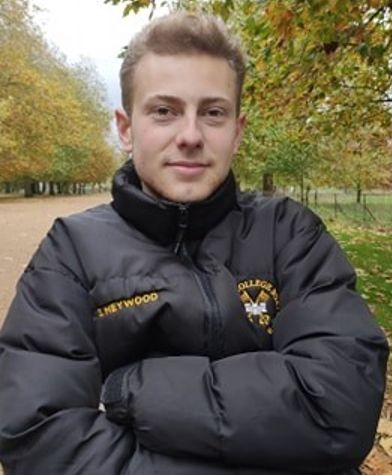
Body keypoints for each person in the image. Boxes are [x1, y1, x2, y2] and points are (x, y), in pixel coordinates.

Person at [0, 10, 389, 475]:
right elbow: (42, 440)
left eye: (213, 113)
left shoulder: (290, 232)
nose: (190, 136)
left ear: (237, 131)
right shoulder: (71, 253)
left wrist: (126, 391)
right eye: (164, 111)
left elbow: (339, 405)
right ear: (126, 128)